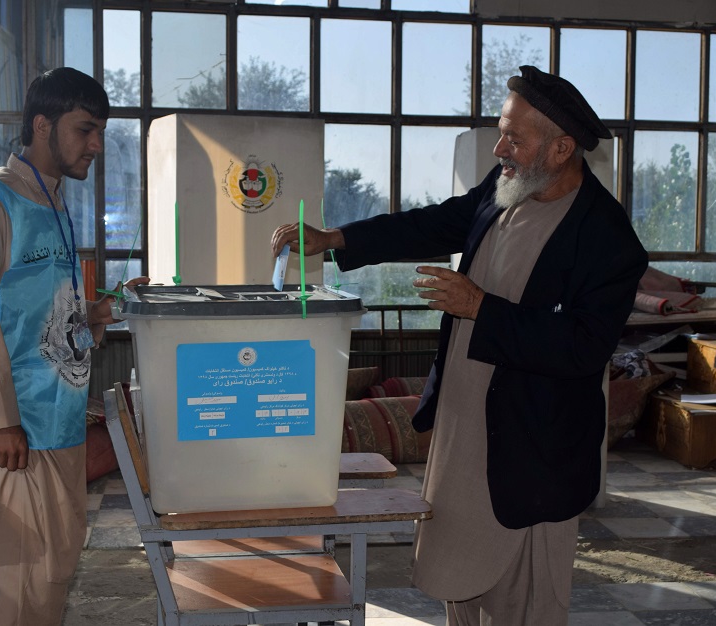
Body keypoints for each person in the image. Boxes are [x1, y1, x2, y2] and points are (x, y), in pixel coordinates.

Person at [272, 65, 648, 625]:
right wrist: (337, 239)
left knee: (525, 598)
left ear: (562, 148)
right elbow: (437, 222)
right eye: (502, 131)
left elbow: (583, 347)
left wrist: (480, 308)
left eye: (514, 138)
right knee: (460, 583)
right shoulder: (508, 189)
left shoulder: (607, 238)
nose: (500, 148)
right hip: (464, 429)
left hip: (533, 450)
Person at [0, 67, 148, 626]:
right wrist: (1, 420)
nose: (96, 145)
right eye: (86, 129)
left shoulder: (55, 207)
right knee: (18, 584)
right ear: (42, 124)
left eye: (101, 131)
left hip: (58, 425)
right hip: (14, 434)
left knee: (51, 574)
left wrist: (99, 313)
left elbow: (43, 319)